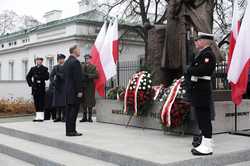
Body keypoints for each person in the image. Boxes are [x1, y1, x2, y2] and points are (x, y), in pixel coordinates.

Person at [187, 32, 216, 156]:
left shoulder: (208, 54)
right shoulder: (202, 54)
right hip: (199, 90)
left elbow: (203, 70)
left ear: (205, 41)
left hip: (202, 91)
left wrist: (189, 69)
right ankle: (205, 142)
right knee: (201, 118)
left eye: (198, 40)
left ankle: (207, 145)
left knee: (204, 118)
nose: (196, 42)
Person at [64, 45, 84, 136]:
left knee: (69, 112)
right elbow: (77, 78)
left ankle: (69, 130)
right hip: (74, 91)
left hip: (68, 90)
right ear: (74, 51)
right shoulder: (75, 62)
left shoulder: (67, 62)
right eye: (79, 50)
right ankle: (72, 131)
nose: (80, 51)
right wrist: (79, 90)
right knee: (73, 112)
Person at [26, 57, 49, 122]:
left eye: (40, 60)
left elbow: (47, 77)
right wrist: (31, 84)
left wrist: (40, 77)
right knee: (36, 102)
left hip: (41, 87)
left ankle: (41, 117)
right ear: (36, 61)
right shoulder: (33, 69)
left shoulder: (45, 69)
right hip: (35, 88)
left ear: (42, 62)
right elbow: (28, 77)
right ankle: (37, 116)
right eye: (37, 60)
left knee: (41, 103)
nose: (38, 61)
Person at [80, 54, 98, 123]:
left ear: (90, 59)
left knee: (90, 101)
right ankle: (84, 117)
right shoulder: (82, 66)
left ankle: (90, 117)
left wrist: (88, 75)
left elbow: (96, 75)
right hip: (83, 85)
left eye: (88, 58)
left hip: (90, 86)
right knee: (84, 101)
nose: (87, 60)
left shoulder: (93, 67)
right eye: (86, 59)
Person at [50, 54, 66, 122]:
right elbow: (51, 75)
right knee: (57, 102)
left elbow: (65, 76)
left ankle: (64, 117)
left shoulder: (66, 67)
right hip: (57, 86)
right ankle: (58, 116)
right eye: (59, 59)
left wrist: (59, 74)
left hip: (64, 86)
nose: (60, 60)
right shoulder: (55, 67)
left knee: (63, 103)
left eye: (61, 59)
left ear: (63, 59)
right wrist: (53, 82)